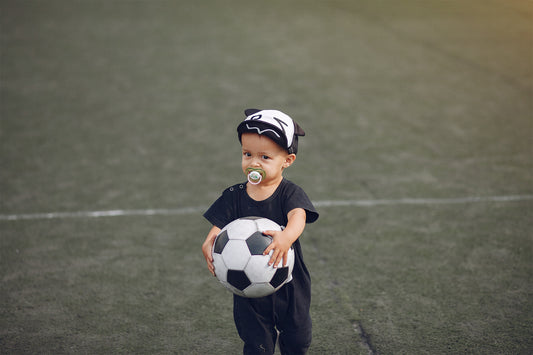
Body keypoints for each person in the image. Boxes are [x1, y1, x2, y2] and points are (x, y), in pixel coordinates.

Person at [202, 108, 319, 354]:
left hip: (289, 283)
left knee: (297, 340)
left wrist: (287, 237)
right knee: (257, 343)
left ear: (287, 161)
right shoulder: (233, 195)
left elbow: (298, 216)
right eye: (247, 154)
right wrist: (210, 240)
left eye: (265, 157)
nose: (253, 162)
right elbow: (219, 225)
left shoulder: (290, 192)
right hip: (247, 288)